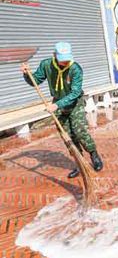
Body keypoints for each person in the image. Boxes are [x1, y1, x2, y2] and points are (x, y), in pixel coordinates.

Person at [21, 42, 103, 178]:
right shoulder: (46, 65)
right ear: (54, 55)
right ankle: (80, 162)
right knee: (68, 137)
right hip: (58, 103)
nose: (65, 63)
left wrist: (56, 105)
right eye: (62, 60)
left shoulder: (75, 69)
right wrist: (27, 75)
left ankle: (94, 154)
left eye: (67, 59)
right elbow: (35, 81)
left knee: (80, 132)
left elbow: (75, 92)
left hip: (74, 103)